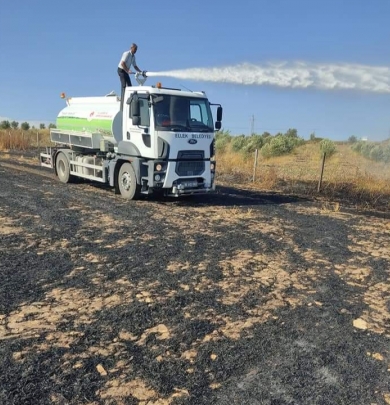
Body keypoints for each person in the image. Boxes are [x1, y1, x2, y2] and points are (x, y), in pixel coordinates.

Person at [117, 43, 144, 108]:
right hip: (121, 70)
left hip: (125, 71)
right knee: (124, 85)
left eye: (136, 50)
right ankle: (122, 102)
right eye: (135, 49)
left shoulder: (133, 57)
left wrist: (141, 72)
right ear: (131, 48)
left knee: (130, 86)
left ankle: (130, 100)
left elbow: (135, 66)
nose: (135, 51)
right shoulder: (126, 54)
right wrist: (127, 70)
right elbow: (122, 63)